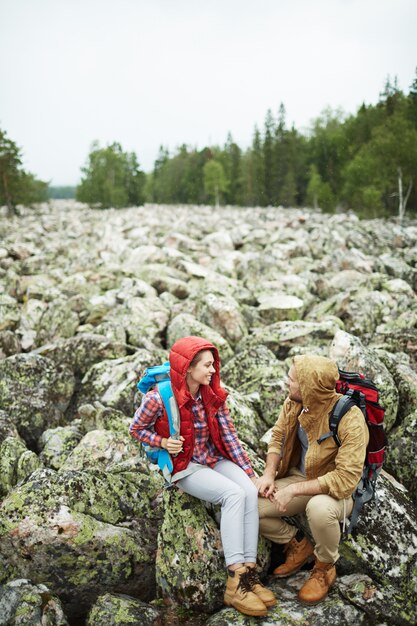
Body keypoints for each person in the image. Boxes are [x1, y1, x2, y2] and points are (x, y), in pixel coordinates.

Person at [129, 335, 276, 617]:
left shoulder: (212, 393)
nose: (213, 370)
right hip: (184, 466)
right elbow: (136, 429)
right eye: (207, 365)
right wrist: (162, 442)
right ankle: (235, 581)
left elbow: (230, 437)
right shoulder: (157, 397)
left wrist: (250, 473)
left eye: (213, 364)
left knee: (246, 490)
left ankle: (249, 574)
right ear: (188, 368)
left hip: (213, 457)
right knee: (232, 495)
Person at [255, 354, 368, 605]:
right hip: (300, 476)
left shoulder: (350, 418)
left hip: (335, 490)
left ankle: (324, 567)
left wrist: (293, 490)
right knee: (247, 503)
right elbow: (278, 438)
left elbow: (346, 479)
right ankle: (296, 542)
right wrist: (269, 474)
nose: (287, 382)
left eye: (292, 380)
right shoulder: (294, 402)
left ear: (308, 387)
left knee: (318, 509)